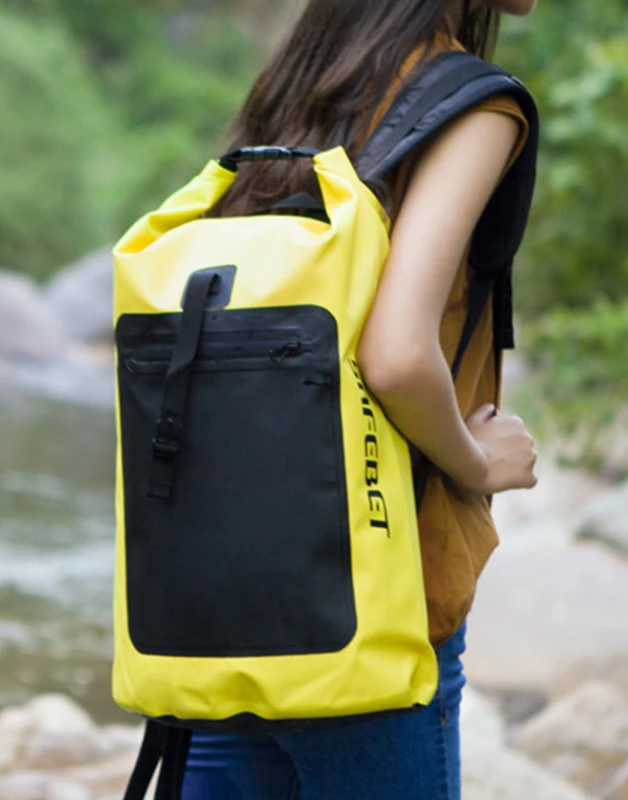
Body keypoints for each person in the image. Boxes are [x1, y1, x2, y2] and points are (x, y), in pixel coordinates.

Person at [183, 1, 539, 798]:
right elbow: (397, 354)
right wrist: (479, 462)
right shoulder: (476, 105)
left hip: (227, 587)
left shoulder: (305, 78)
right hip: (374, 601)